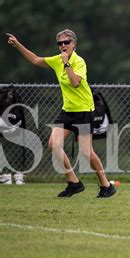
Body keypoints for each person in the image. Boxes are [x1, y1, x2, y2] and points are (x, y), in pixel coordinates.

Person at [6, 29, 116, 197]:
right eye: (60, 43)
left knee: (86, 153)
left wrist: (67, 64)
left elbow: (75, 83)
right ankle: (74, 182)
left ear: (74, 44)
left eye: (66, 42)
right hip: (67, 111)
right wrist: (18, 45)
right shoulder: (57, 60)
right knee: (53, 145)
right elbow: (35, 59)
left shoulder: (79, 62)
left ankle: (106, 185)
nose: (63, 46)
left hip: (84, 111)